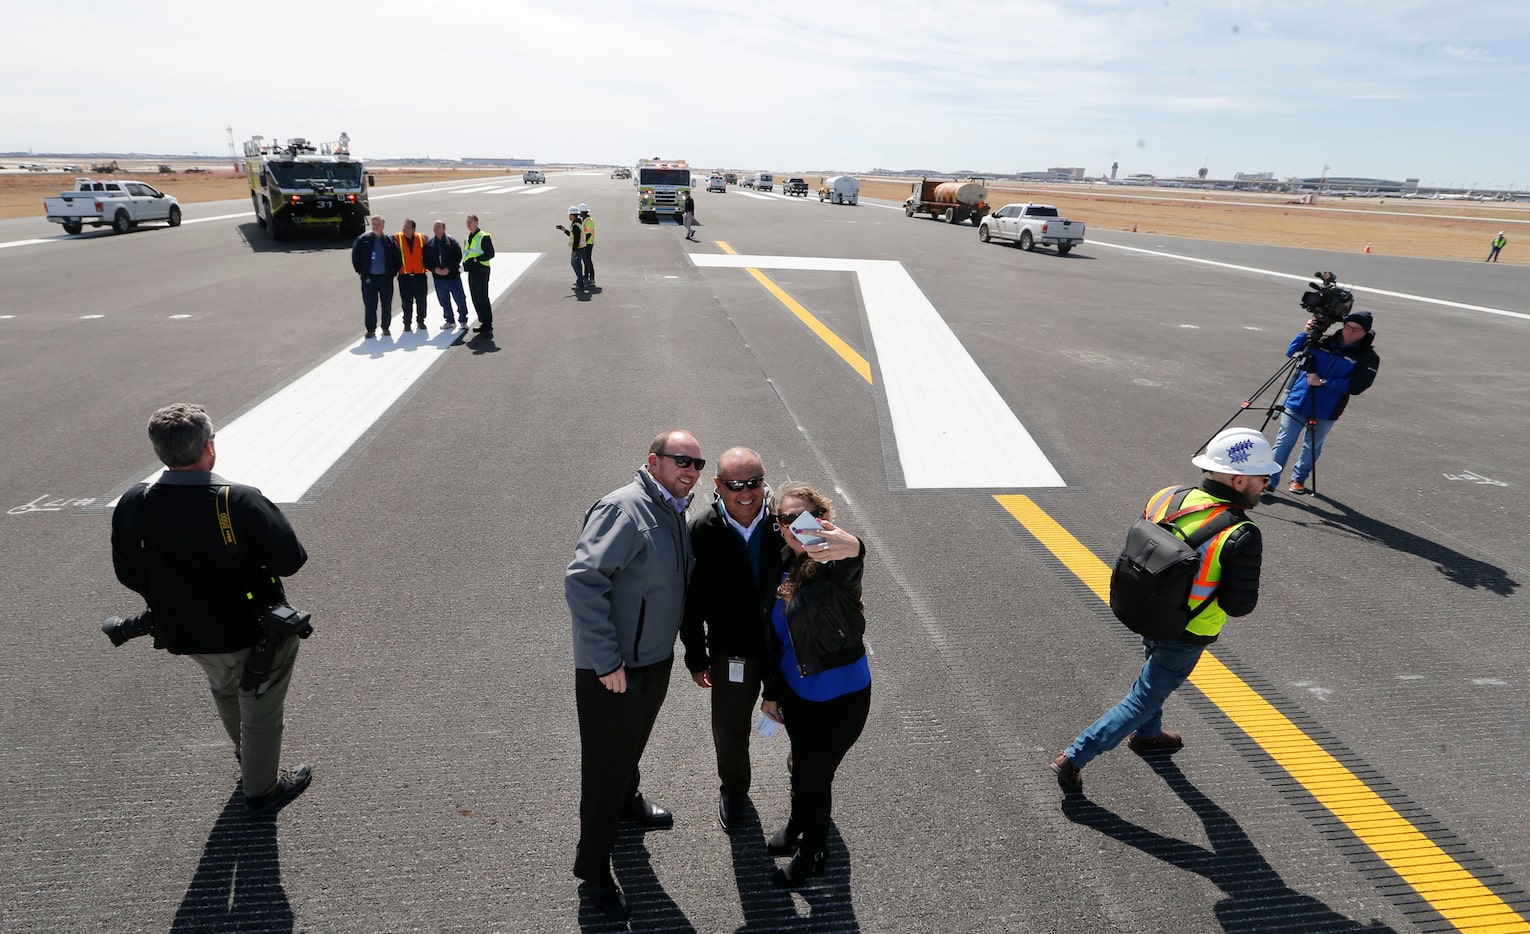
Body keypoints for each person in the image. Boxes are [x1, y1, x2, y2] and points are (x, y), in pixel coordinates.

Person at [110, 403, 312, 813]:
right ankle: (262, 788)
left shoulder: (136, 500)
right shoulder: (237, 500)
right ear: (209, 447)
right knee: (261, 703)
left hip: (182, 628)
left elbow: (127, 571)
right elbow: (291, 560)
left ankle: (248, 757)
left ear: (159, 450)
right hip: (250, 629)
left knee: (224, 686)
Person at [1051, 427, 1275, 795]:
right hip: (1187, 631)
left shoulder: (1167, 496)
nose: (1267, 484)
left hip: (1147, 608)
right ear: (1238, 479)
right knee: (1145, 695)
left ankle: (1148, 736)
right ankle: (1075, 756)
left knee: (1150, 680)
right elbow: (1239, 607)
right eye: (1263, 478)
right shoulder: (1240, 532)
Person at [681, 450, 864, 835]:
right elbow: (692, 599)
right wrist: (697, 655)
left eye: (753, 483)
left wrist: (854, 555)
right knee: (730, 728)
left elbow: (836, 562)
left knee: (799, 728)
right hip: (734, 650)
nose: (745, 493)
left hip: (786, 651)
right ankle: (733, 789)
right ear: (718, 486)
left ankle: (806, 795)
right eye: (734, 485)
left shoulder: (784, 524)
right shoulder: (702, 530)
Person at [565, 430, 704, 921]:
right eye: (681, 461)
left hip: (652, 661)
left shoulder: (673, 509)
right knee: (603, 770)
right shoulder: (624, 509)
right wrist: (606, 662)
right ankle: (594, 872)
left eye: (697, 464)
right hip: (614, 670)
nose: (690, 471)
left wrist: (689, 652)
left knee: (632, 745)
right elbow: (583, 582)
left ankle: (628, 803)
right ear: (654, 460)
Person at [758, 483, 868, 888]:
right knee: (799, 764)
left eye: (803, 518)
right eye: (784, 519)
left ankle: (812, 852)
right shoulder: (781, 560)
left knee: (813, 777)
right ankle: (798, 823)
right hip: (796, 692)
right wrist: (772, 692)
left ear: (822, 522)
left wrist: (853, 545)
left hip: (841, 698)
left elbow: (853, 559)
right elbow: (772, 639)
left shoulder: (831, 564)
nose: (792, 526)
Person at [1268, 311, 1380, 494]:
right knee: (1284, 440)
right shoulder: (1322, 342)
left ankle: (1298, 479)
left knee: (1312, 445)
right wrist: (1306, 333)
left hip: (1327, 409)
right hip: (1298, 400)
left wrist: (1324, 383)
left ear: (1365, 332)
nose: (1350, 331)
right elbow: (1292, 353)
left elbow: (1359, 385)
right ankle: (1269, 479)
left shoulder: (1368, 357)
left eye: (1356, 329)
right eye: (1348, 327)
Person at [351, 215, 402, 338]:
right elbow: (355, 255)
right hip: (369, 278)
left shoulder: (389, 241)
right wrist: (360, 271)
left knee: (386, 304)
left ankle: (385, 327)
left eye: (378, 224)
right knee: (370, 305)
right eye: (373, 224)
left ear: (383, 225)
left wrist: (392, 273)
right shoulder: (364, 240)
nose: (375, 226)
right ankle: (370, 329)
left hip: (385, 278)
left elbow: (398, 258)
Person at [424, 220, 470, 329]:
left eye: (439, 227)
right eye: (435, 227)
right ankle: (450, 320)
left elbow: (458, 257)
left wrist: (449, 269)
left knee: (460, 299)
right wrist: (435, 269)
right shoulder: (429, 244)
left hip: (453, 277)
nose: (436, 229)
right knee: (444, 300)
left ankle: (463, 320)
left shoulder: (452, 242)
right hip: (438, 279)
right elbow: (426, 261)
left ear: (444, 229)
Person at [393, 218, 429, 332]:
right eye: (404, 227)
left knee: (421, 300)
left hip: (419, 275)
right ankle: (407, 323)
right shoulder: (396, 238)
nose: (404, 229)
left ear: (413, 229)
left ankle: (421, 321)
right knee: (406, 301)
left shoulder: (422, 238)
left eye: (407, 227)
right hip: (405, 276)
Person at [463, 214, 495, 335]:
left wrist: (476, 260)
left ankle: (488, 325)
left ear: (477, 223)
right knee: (475, 297)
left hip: (481, 271)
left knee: (482, 297)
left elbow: (490, 253)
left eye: (471, 222)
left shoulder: (483, 236)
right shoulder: (468, 238)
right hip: (472, 271)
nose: (469, 224)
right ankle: (483, 322)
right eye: (467, 222)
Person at [556, 206, 587, 292]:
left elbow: (576, 239)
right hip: (582, 248)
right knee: (578, 265)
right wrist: (564, 230)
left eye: (570, 215)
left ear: (573, 215)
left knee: (575, 265)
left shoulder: (575, 225)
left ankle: (580, 283)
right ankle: (580, 280)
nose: (569, 216)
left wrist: (574, 250)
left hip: (579, 249)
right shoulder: (577, 223)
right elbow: (573, 236)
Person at [578, 203, 596, 288]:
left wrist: (583, 242)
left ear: (583, 212)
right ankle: (586, 278)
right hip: (586, 242)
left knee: (588, 260)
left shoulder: (589, 221)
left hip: (588, 243)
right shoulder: (584, 220)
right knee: (586, 261)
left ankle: (591, 278)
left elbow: (588, 234)